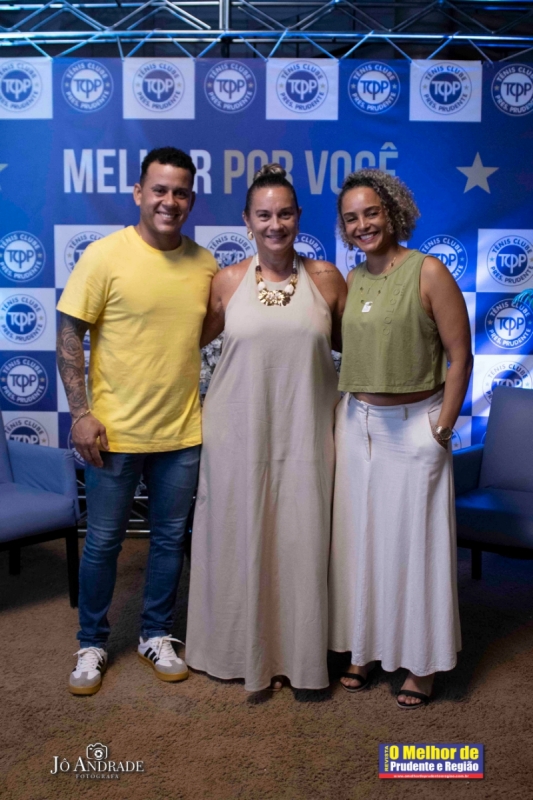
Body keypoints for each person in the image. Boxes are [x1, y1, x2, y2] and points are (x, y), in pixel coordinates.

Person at [56, 147, 218, 695]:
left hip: (182, 433)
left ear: (191, 200)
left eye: (180, 192)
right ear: (138, 193)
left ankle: (155, 634)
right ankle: (91, 642)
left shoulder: (206, 264)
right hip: (113, 434)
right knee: (103, 543)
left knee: (169, 540)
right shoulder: (104, 256)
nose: (169, 201)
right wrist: (81, 414)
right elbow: (68, 333)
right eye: (159, 189)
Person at [185, 164, 346, 693]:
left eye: (284, 214)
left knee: (302, 542)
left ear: (298, 216)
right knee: (240, 539)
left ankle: (300, 655)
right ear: (247, 220)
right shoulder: (226, 281)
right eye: (264, 215)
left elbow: (359, 349)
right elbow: (184, 347)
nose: (275, 224)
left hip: (306, 435)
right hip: (237, 437)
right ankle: (238, 651)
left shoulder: (327, 279)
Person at [328, 169, 472, 708]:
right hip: (357, 423)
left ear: (392, 212)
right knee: (362, 544)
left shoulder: (428, 270)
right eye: (351, 218)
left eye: (371, 212)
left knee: (417, 548)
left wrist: (442, 429)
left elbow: (461, 357)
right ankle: (365, 648)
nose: (362, 224)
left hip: (416, 424)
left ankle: (422, 662)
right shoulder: (354, 278)